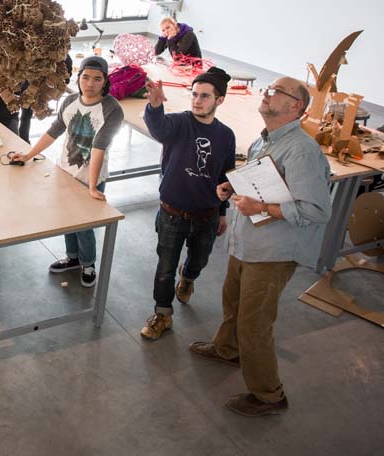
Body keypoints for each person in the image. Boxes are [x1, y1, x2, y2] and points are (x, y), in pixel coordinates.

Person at [190, 77, 331, 417]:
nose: (265, 94)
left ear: (295, 106)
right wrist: (232, 186)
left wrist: (263, 209)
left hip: (273, 253)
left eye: (275, 92)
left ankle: (269, 394)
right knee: (233, 302)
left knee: (254, 323)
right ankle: (227, 349)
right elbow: (262, 182)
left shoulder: (302, 151)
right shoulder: (266, 139)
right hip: (249, 243)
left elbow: (317, 210)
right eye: (267, 89)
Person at [139, 67, 236, 341]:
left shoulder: (226, 136)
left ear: (220, 100)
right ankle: (162, 314)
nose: (197, 100)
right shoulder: (180, 123)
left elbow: (225, 176)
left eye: (205, 96)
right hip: (172, 213)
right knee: (164, 268)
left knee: (199, 260)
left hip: (206, 215)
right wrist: (155, 106)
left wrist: (222, 212)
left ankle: (189, 278)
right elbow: (159, 129)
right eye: (194, 94)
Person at [12, 56, 123, 287]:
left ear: (105, 81)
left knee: (84, 223)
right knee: (68, 218)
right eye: (85, 77)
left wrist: (92, 186)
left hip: (91, 175)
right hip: (65, 170)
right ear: (79, 76)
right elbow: (54, 131)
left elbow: (99, 147)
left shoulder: (112, 109)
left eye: (96, 79)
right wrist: (28, 155)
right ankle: (73, 258)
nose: (90, 84)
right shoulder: (70, 101)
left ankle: (88, 263)